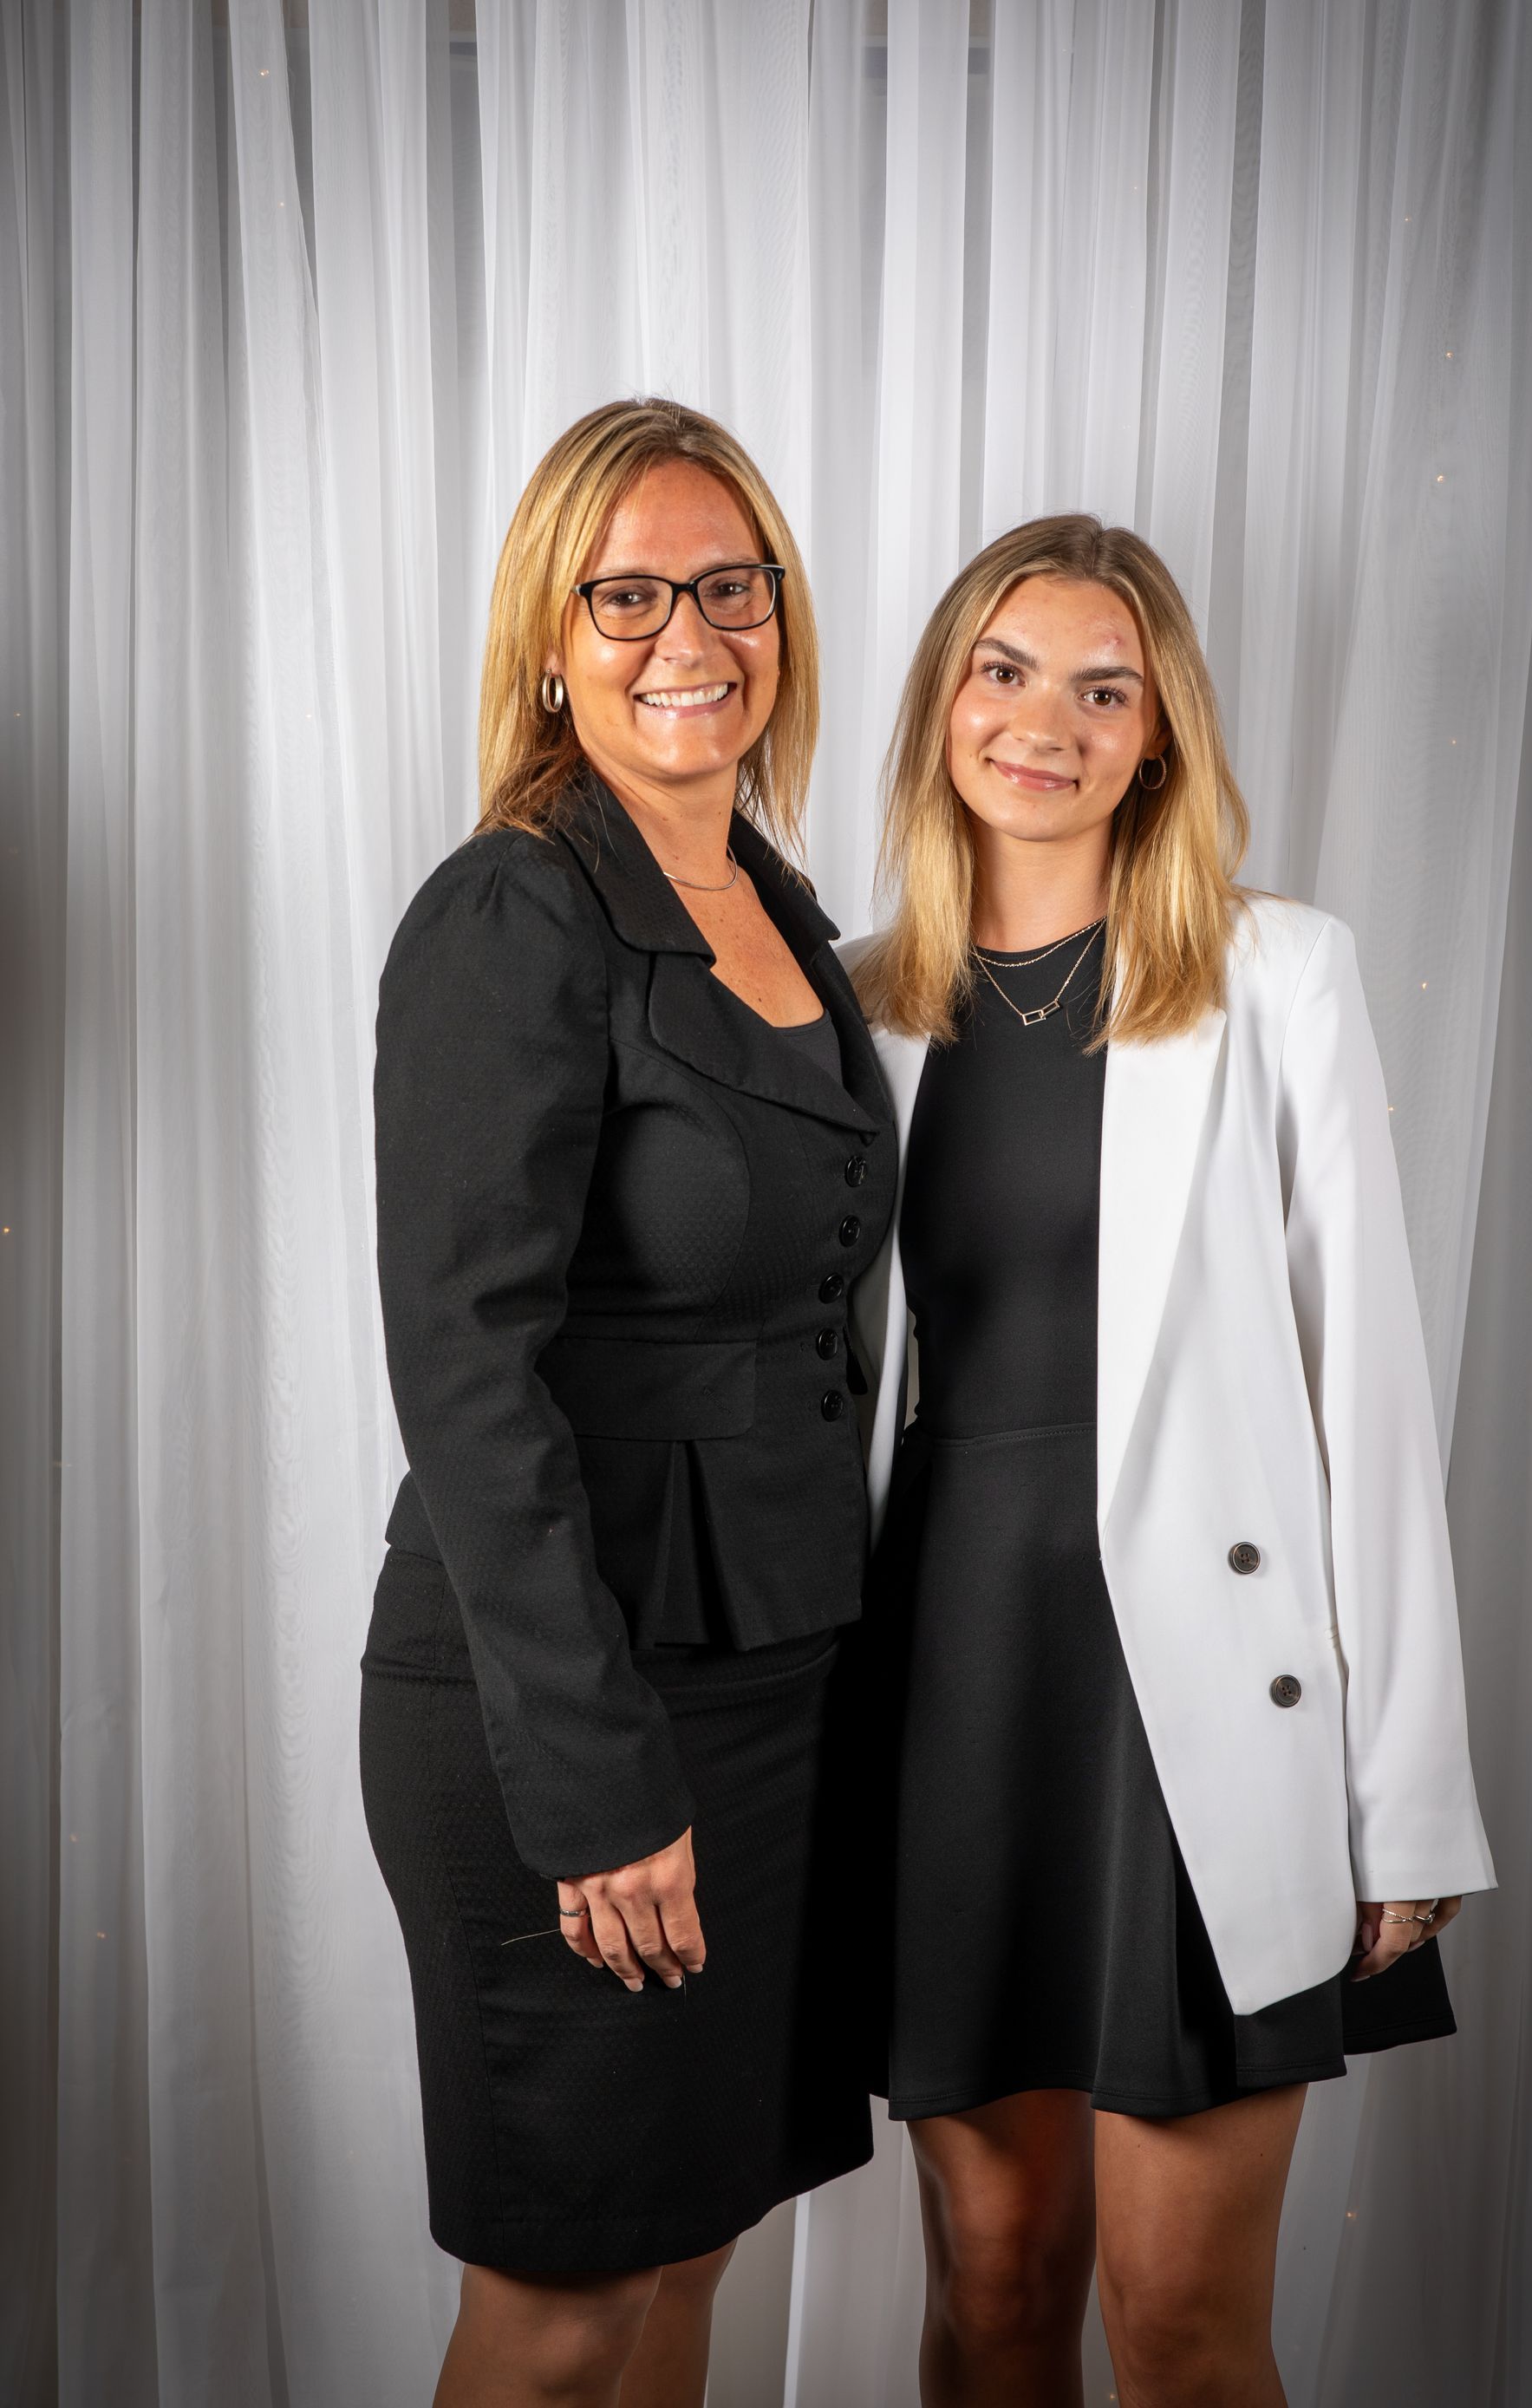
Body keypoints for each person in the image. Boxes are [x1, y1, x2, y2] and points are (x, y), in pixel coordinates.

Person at [845, 516, 1496, 2408]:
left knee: (1186, 2320)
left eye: (1102, 688)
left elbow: (1369, 1382)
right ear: (942, 702)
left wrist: (1413, 1786)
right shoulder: (848, 1001)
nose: (1044, 720)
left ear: (1159, 737)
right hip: (946, 1701)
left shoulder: (1275, 974)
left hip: (1199, 1711)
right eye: (1005, 669)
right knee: (994, 2285)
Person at [362, 396, 896, 2408]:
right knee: (565, 2307)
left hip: (769, 1682)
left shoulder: (781, 910)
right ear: (553, 634)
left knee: (690, 2256)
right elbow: (466, 1378)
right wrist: (597, 1783)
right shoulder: (511, 910)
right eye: (631, 592)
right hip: (563, 1711)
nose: (690, 633)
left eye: (729, 584)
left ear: (781, 611)